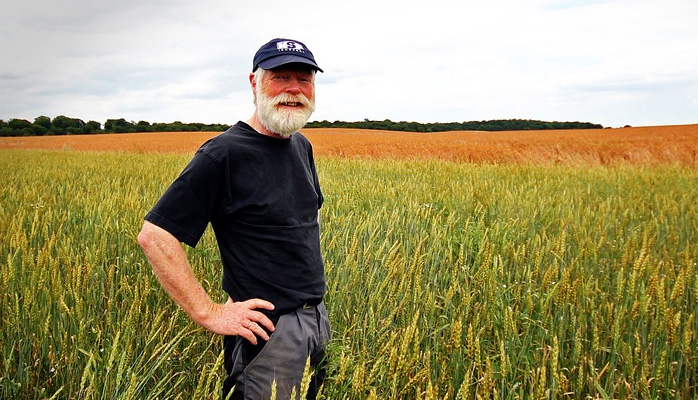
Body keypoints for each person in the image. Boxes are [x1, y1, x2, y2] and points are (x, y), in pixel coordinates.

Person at [137, 38, 330, 400]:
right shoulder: (222, 154)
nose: (293, 89)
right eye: (281, 77)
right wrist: (209, 312)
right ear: (254, 83)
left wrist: (317, 316)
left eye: (304, 80)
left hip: (316, 320)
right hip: (268, 334)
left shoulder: (301, 145)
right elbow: (155, 234)